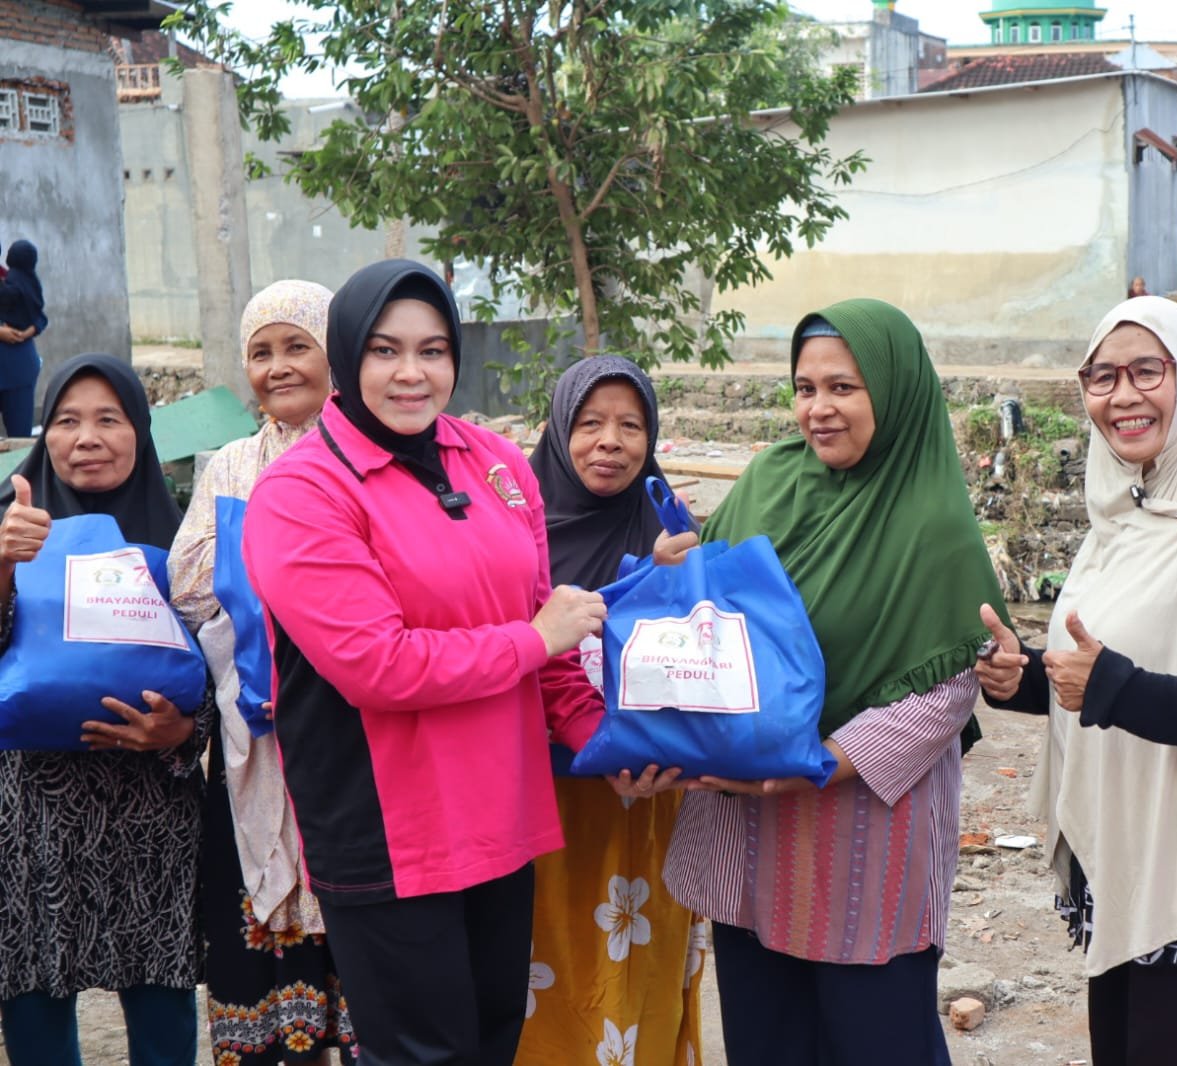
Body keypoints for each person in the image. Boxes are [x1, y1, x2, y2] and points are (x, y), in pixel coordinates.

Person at [241, 260, 673, 1066]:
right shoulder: (302, 491)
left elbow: (543, 634)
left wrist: (604, 742)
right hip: (387, 828)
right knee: (423, 1053)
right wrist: (534, 639)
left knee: (492, 1040)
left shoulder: (494, 462)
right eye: (385, 350)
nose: (411, 373)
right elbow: (377, 665)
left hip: (499, 813)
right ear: (347, 356)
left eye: (433, 350)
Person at [658, 299, 1008, 1065]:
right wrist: (677, 576)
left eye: (844, 388)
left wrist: (816, 763)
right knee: (766, 1039)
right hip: (749, 828)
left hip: (859, 836)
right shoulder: (767, 481)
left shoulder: (931, 523)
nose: (818, 408)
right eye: (805, 387)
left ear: (893, 391)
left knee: (876, 1039)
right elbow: (714, 622)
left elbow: (945, 691)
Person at [975, 295, 1177, 1066]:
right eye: (1102, 377)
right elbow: (1100, 671)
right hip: (1121, 866)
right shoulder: (1120, 520)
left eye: (1146, 372)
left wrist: (1114, 687)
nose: (1121, 396)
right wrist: (1022, 676)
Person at [0, 353, 214, 1065]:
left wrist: (185, 730)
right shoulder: (9, 527)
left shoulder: (187, 539)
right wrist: (3, 563)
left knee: (160, 1008)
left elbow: (227, 664)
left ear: (140, 431)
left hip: (151, 815)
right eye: (66, 421)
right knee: (34, 1002)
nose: (86, 438)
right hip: (31, 818)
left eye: (108, 420)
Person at [167, 280, 358, 1063]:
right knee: (264, 982)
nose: (277, 367)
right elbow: (188, 584)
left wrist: (263, 563)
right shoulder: (230, 464)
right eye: (260, 352)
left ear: (336, 356)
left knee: (365, 956)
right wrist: (287, 569)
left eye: (296, 346)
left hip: (354, 743)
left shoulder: (366, 456)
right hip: (256, 740)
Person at [514, 355, 704, 1065]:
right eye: (590, 423)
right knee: (543, 966)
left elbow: (704, 661)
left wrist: (672, 579)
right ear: (559, 429)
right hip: (540, 801)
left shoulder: (668, 530)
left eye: (631, 426)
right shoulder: (516, 533)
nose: (610, 442)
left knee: (635, 975)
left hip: (645, 800)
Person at [0, 240, 47, 438]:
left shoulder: (11, 277)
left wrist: (31, 329)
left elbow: (40, 316)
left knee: (20, 438)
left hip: (19, 370)